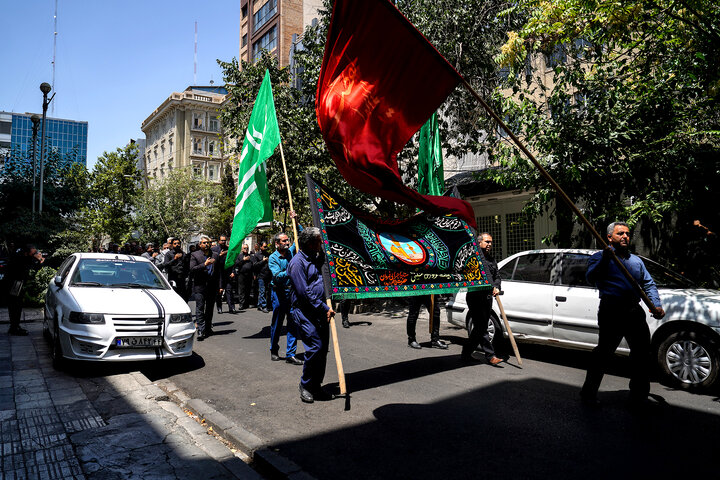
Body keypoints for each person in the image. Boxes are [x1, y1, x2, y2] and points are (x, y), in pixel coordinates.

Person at [580, 221, 665, 408]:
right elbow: (591, 278)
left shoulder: (636, 261)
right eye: (620, 234)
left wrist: (655, 305)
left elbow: (648, 284)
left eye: (627, 233)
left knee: (642, 354)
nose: (625, 236)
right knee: (604, 353)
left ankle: (639, 395)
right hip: (611, 310)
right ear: (610, 237)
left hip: (634, 311)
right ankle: (588, 393)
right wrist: (606, 259)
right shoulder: (598, 257)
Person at [288, 227, 335, 403]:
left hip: (322, 311)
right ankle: (305, 385)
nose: (320, 244)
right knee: (315, 347)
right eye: (317, 241)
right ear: (309, 243)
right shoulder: (297, 263)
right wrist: (323, 307)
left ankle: (316, 386)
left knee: (322, 350)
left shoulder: (316, 258)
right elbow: (304, 293)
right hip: (305, 311)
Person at [461, 233, 503, 365]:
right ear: (479, 243)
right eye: (487, 242)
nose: (489, 244)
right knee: (481, 326)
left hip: (487, 298)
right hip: (474, 297)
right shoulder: (472, 259)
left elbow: (497, 276)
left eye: (491, 242)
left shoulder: (491, 260)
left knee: (480, 327)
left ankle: (466, 352)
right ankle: (490, 356)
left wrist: (496, 286)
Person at [269, 220, 304, 365]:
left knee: (293, 323)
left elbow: (300, 236)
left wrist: (296, 222)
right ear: (277, 243)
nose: (287, 242)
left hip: (291, 294)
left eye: (287, 240)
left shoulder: (290, 252)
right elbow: (277, 276)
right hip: (278, 294)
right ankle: (274, 349)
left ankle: (290, 354)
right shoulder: (273, 258)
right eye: (284, 241)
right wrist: (290, 271)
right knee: (277, 324)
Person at [5, 244, 44, 335]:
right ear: (27, 252)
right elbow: (28, 267)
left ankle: (14, 327)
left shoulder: (23, 257)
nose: (35, 254)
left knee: (16, 306)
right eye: (33, 253)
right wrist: (38, 260)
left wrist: (38, 261)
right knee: (15, 306)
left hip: (17, 283)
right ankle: (14, 328)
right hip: (14, 284)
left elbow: (33, 268)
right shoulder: (20, 258)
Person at [189, 235, 220, 341]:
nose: (207, 245)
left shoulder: (215, 255)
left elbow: (218, 272)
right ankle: (201, 330)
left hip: (212, 286)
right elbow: (192, 269)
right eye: (204, 243)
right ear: (200, 244)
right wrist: (204, 264)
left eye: (208, 243)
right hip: (200, 286)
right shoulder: (195, 255)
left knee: (210, 308)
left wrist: (220, 286)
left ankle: (208, 328)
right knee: (200, 308)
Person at [213, 235, 235, 314]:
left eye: (224, 240)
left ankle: (231, 308)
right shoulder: (214, 249)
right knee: (219, 291)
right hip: (219, 274)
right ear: (218, 241)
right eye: (222, 240)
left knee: (229, 290)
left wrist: (233, 271)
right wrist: (220, 255)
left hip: (227, 273)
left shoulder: (228, 249)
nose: (223, 242)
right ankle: (219, 307)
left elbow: (232, 261)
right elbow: (213, 260)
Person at [234, 244, 254, 310]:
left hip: (249, 275)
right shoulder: (239, 256)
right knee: (241, 290)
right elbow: (236, 264)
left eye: (247, 248)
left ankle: (246, 303)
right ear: (242, 249)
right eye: (244, 248)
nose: (246, 249)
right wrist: (243, 260)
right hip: (241, 275)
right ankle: (241, 304)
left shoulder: (251, 256)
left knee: (248, 289)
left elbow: (253, 265)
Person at [253, 242, 271, 313]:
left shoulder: (268, 254)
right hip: (261, 275)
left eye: (266, 247)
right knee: (262, 290)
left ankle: (259, 304)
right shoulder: (257, 255)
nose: (265, 248)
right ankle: (263, 306)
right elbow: (254, 265)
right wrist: (262, 261)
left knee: (266, 291)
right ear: (261, 247)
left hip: (268, 275)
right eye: (264, 247)